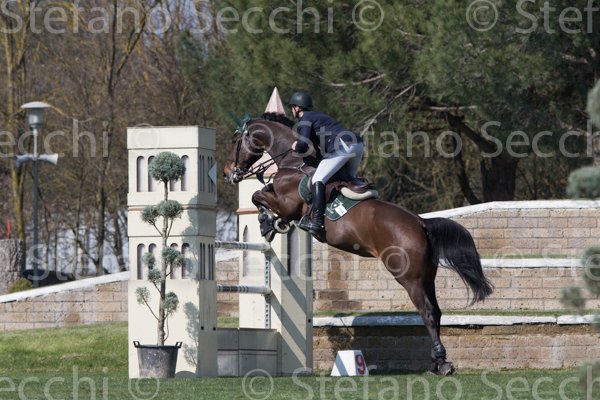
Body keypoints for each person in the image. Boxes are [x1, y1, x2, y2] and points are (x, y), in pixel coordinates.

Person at [289, 90, 365, 235]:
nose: (292, 110)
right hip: (357, 145)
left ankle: (317, 222)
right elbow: (320, 149)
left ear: (297, 108)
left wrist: (295, 145)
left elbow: (302, 145)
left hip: (343, 146)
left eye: (292, 107)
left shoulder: (305, 118)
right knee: (348, 179)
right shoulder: (319, 116)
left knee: (317, 179)